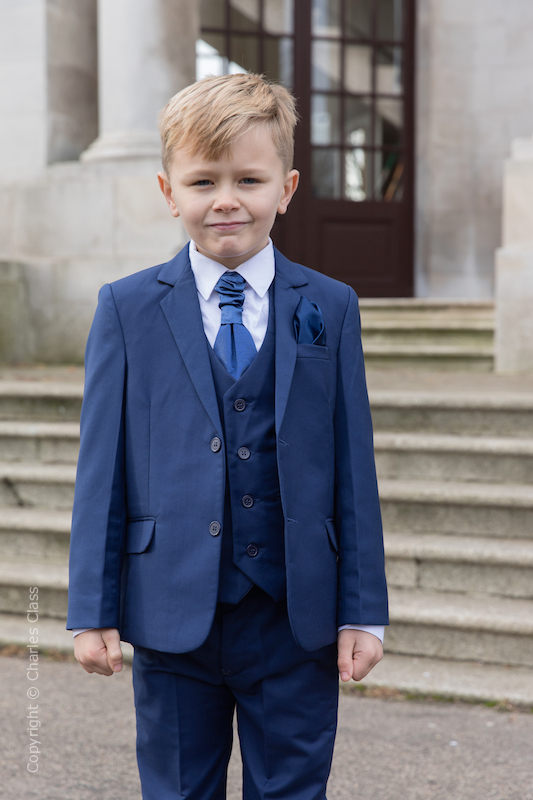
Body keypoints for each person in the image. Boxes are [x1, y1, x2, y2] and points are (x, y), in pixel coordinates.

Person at [67, 72, 388, 800]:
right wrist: (93, 609)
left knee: (292, 789)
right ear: (167, 190)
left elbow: (351, 464)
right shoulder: (126, 309)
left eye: (248, 178)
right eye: (202, 180)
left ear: (286, 187)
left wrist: (362, 608)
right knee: (178, 789)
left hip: (294, 616)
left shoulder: (330, 307)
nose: (225, 200)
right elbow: (102, 469)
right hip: (171, 611)